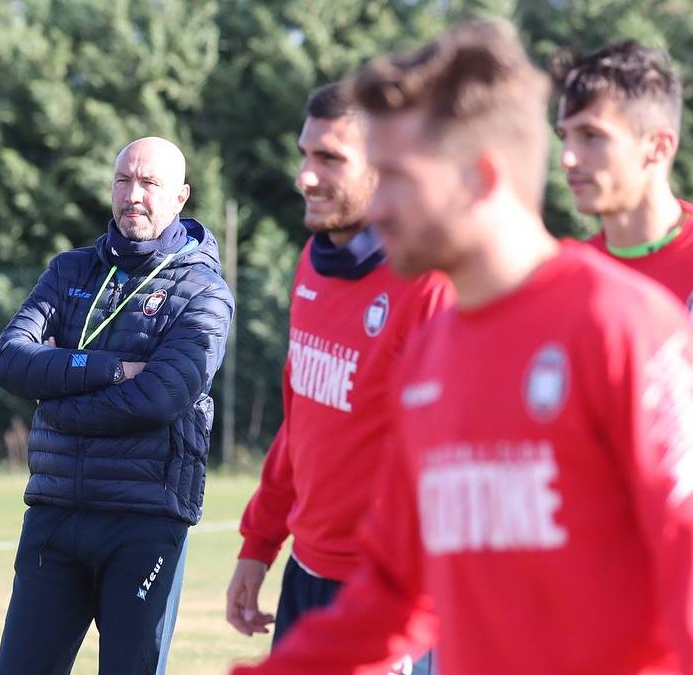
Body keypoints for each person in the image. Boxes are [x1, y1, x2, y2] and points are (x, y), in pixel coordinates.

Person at [232, 19, 693, 675]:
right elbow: (396, 591)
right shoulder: (434, 350)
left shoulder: (622, 328)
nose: (379, 203)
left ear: (480, 175)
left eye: (397, 176)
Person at [224, 82, 449, 675]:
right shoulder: (314, 260)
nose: (305, 177)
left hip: (385, 592)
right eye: (305, 153)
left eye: (330, 159)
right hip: (307, 575)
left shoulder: (428, 285)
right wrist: (260, 542)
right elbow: (303, 419)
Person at [0, 136, 234, 675]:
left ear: (180, 197)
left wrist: (55, 396)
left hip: (144, 518)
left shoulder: (204, 291)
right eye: (124, 180)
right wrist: (110, 369)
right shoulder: (69, 271)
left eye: (150, 183)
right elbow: (9, 361)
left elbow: (160, 398)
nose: (134, 196)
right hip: (56, 511)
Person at [556, 40, 693, 315]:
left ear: (659, 146)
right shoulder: (565, 282)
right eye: (565, 137)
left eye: (591, 136)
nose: (567, 159)